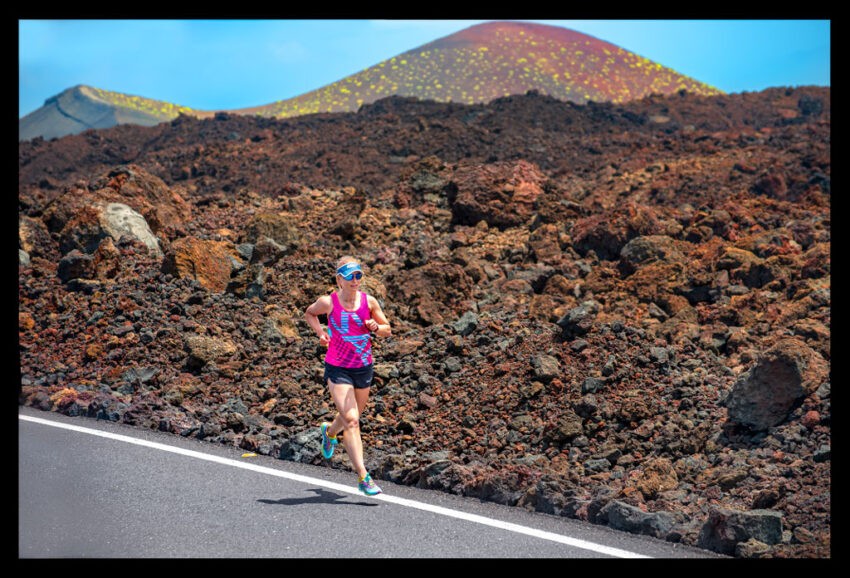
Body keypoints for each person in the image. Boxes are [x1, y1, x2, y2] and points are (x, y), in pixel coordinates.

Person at [304, 256, 392, 496]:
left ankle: (330, 433)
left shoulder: (369, 301)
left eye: (359, 275)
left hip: (364, 367)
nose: (355, 280)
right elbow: (309, 313)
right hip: (338, 367)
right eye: (350, 276)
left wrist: (376, 327)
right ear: (339, 279)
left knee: (350, 417)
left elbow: (388, 329)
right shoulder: (328, 302)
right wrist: (321, 332)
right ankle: (364, 477)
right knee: (352, 420)